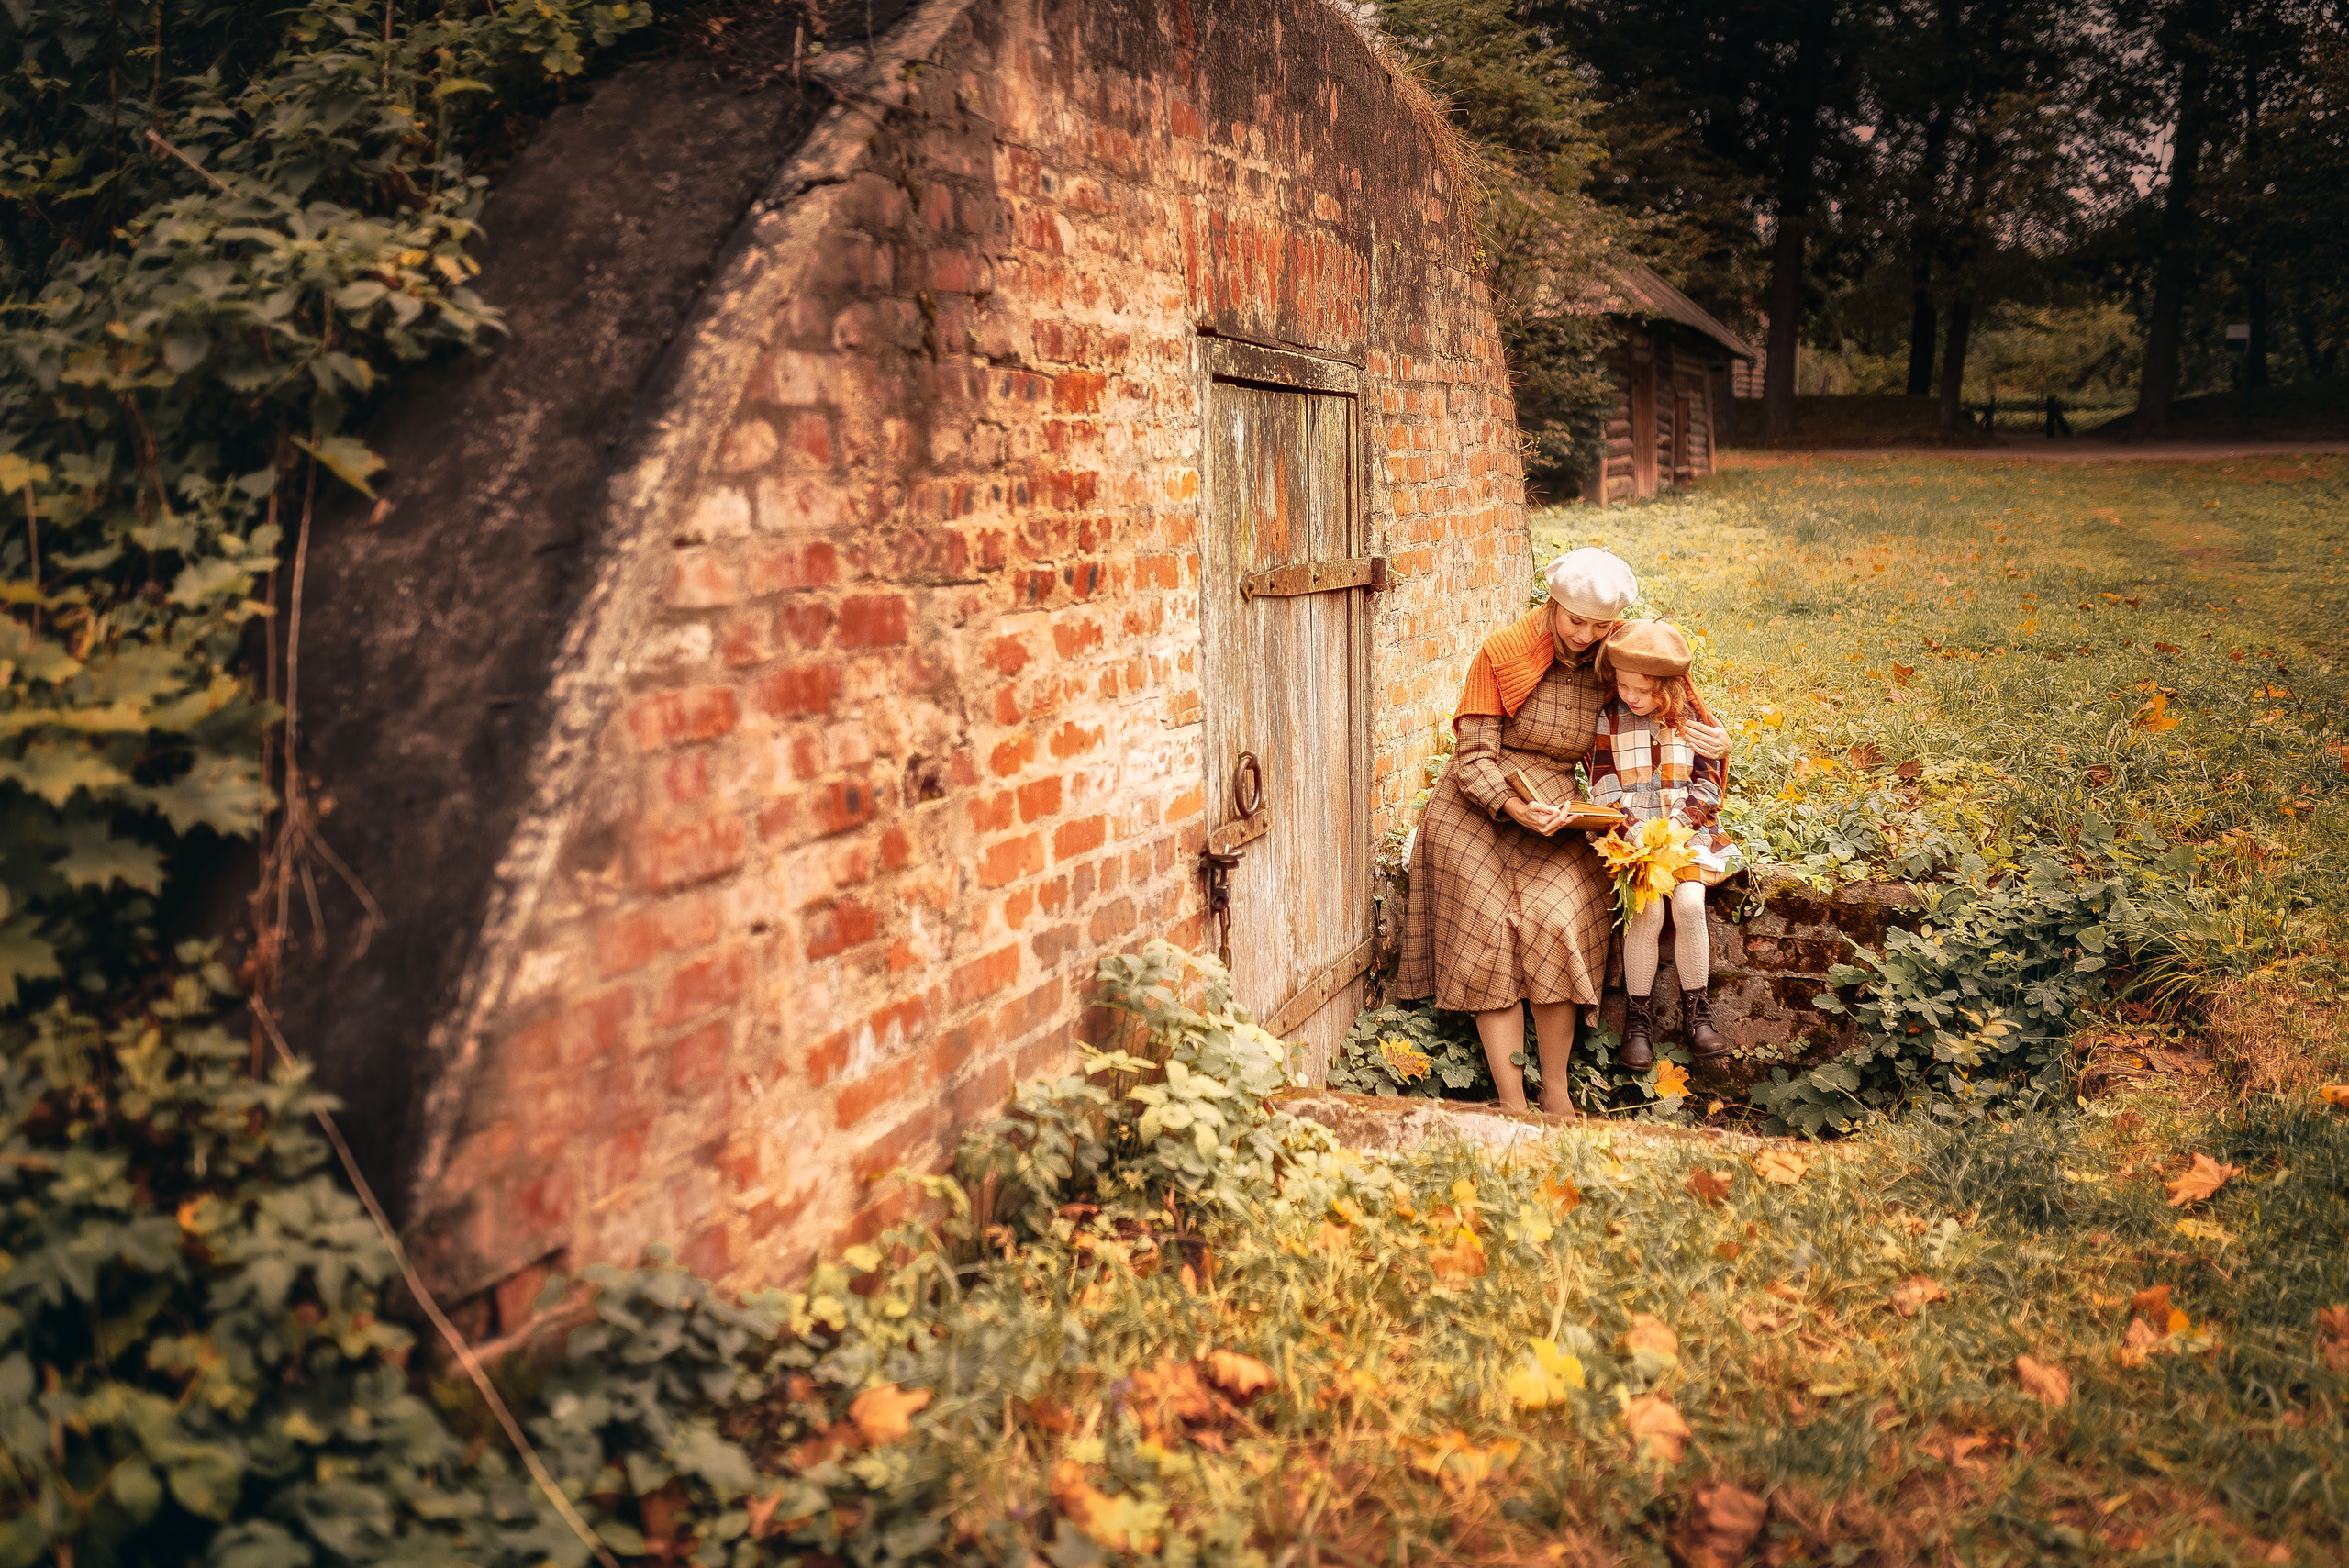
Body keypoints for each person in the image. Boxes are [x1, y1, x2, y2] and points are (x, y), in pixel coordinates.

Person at [1397, 549, 1733, 1115]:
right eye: (1576, 621)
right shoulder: (1503, 653)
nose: (1586, 635)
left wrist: (1721, 742)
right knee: (1489, 927)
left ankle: (1555, 1093)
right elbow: (1473, 756)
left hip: (1558, 808)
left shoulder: (1620, 651)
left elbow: (1681, 706)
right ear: (1552, 603)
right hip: (1475, 806)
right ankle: (1512, 1103)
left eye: (1600, 626)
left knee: (1556, 918)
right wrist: (1512, 805)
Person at [1583, 620, 1743, 1076]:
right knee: (1647, 909)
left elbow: (1708, 787)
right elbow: (1603, 788)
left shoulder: (1695, 722)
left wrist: (1677, 826)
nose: (1631, 696)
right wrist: (1635, 833)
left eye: (1643, 690)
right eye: (1623, 685)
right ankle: (1637, 1020)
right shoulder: (1609, 719)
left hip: (1686, 835)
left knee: (1690, 905)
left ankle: (1698, 1014)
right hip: (1631, 838)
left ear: (1668, 687)